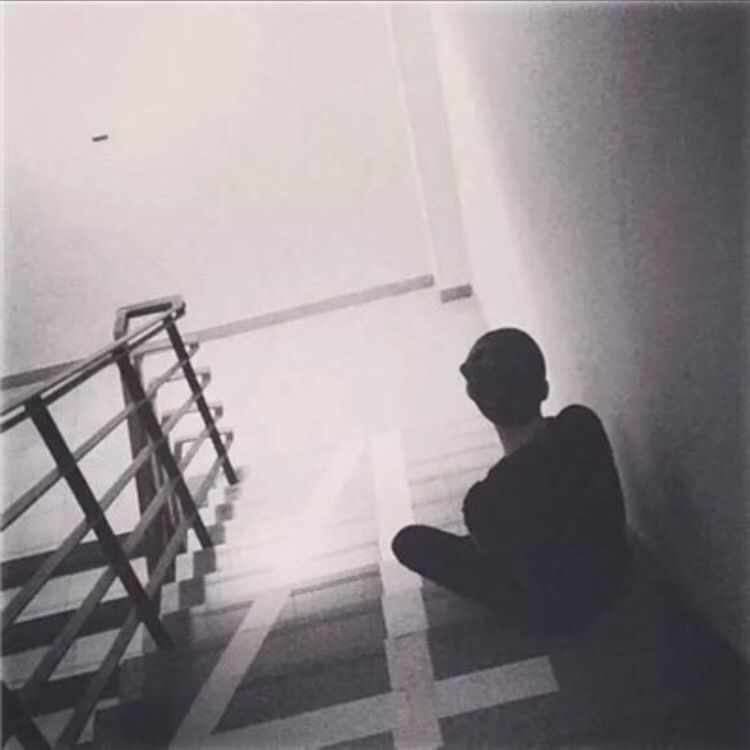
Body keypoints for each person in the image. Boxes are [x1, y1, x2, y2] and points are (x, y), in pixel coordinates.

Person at [392, 328, 631, 632]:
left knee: (409, 542)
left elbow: (509, 574)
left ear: (479, 403)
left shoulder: (485, 500)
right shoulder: (581, 424)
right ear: (544, 389)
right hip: (617, 581)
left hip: (556, 617)